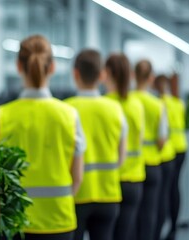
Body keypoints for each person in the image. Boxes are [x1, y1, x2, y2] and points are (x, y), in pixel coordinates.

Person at [0, 35, 85, 240]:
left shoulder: (1, 116)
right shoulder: (69, 115)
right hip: (59, 220)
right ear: (52, 67)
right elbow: (77, 178)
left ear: (18, 66)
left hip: (15, 223)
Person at [65, 49, 126, 240]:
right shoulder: (116, 109)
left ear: (75, 74)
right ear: (102, 75)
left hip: (76, 196)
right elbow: (121, 159)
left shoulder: (66, 109)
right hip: (108, 195)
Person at [104, 54, 145, 240]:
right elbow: (141, 138)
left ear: (107, 73)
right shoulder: (136, 105)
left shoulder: (105, 104)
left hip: (111, 181)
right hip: (134, 178)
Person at [131, 60, 168, 240]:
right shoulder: (157, 104)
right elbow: (162, 140)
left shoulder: (127, 101)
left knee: (131, 216)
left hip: (130, 168)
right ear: (151, 78)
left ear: (133, 75)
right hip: (152, 164)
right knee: (149, 213)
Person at [153, 74, 177, 240]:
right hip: (178, 149)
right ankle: (173, 226)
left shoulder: (159, 104)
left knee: (161, 196)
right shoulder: (178, 103)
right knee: (172, 189)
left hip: (162, 153)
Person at [166, 73, 189, 240]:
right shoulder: (180, 103)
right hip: (182, 147)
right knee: (175, 187)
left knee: (168, 190)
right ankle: (173, 225)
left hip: (170, 150)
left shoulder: (163, 103)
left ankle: (170, 226)